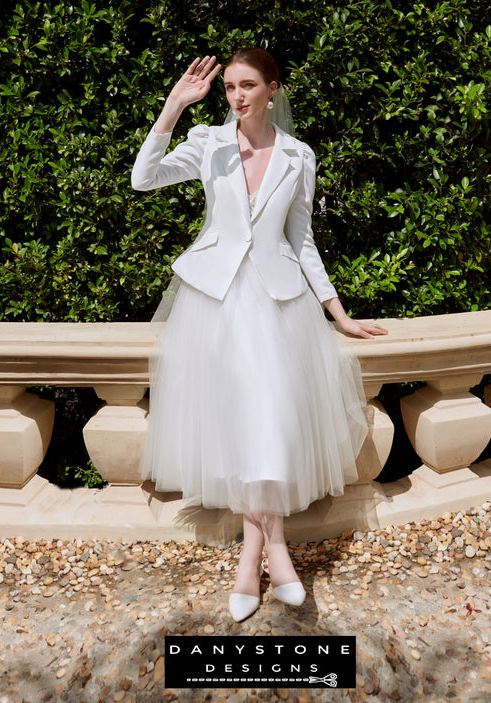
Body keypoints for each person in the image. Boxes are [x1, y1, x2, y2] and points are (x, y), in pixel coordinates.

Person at [131, 48, 387, 622]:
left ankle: (255, 553)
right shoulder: (208, 143)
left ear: (274, 88)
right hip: (215, 304)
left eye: (248, 85)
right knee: (241, 426)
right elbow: (143, 178)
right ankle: (272, 550)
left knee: (268, 425)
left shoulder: (299, 156)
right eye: (229, 87)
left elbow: (301, 240)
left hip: (277, 305)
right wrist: (174, 106)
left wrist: (338, 313)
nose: (237, 96)